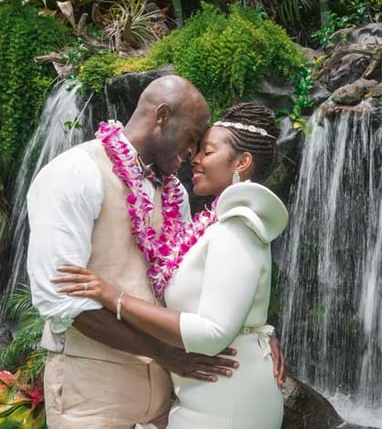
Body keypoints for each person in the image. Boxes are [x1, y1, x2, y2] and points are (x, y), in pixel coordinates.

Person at [27, 75, 245, 429]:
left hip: (163, 393)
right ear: (162, 116)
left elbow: (196, 285)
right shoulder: (75, 173)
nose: (192, 154)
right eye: (191, 137)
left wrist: (259, 335)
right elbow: (62, 301)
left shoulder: (175, 195)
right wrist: (163, 351)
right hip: (92, 395)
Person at [53, 102, 288, 428]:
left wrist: (113, 297)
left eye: (207, 151)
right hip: (207, 395)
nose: (195, 158)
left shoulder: (237, 228)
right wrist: (260, 329)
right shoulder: (213, 228)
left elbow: (213, 332)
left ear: (242, 162)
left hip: (228, 401)